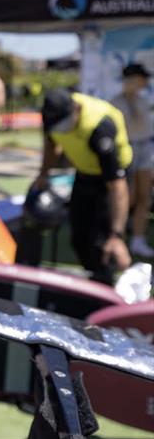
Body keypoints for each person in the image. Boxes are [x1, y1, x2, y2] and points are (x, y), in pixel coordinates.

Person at [34, 89, 133, 284]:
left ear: (76, 110)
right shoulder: (53, 118)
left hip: (109, 180)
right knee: (78, 237)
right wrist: (43, 174)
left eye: (63, 125)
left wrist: (117, 235)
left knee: (101, 244)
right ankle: (91, 280)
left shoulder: (100, 128)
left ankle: (105, 288)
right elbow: (51, 144)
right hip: (83, 173)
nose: (61, 130)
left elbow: (117, 187)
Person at [111, 63, 153, 258]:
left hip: (146, 147)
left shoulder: (145, 100)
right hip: (127, 149)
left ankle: (138, 239)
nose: (146, 82)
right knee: (129, 195)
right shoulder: (117, 102)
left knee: (145, 195)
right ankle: (120, 235)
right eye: (142, 78)